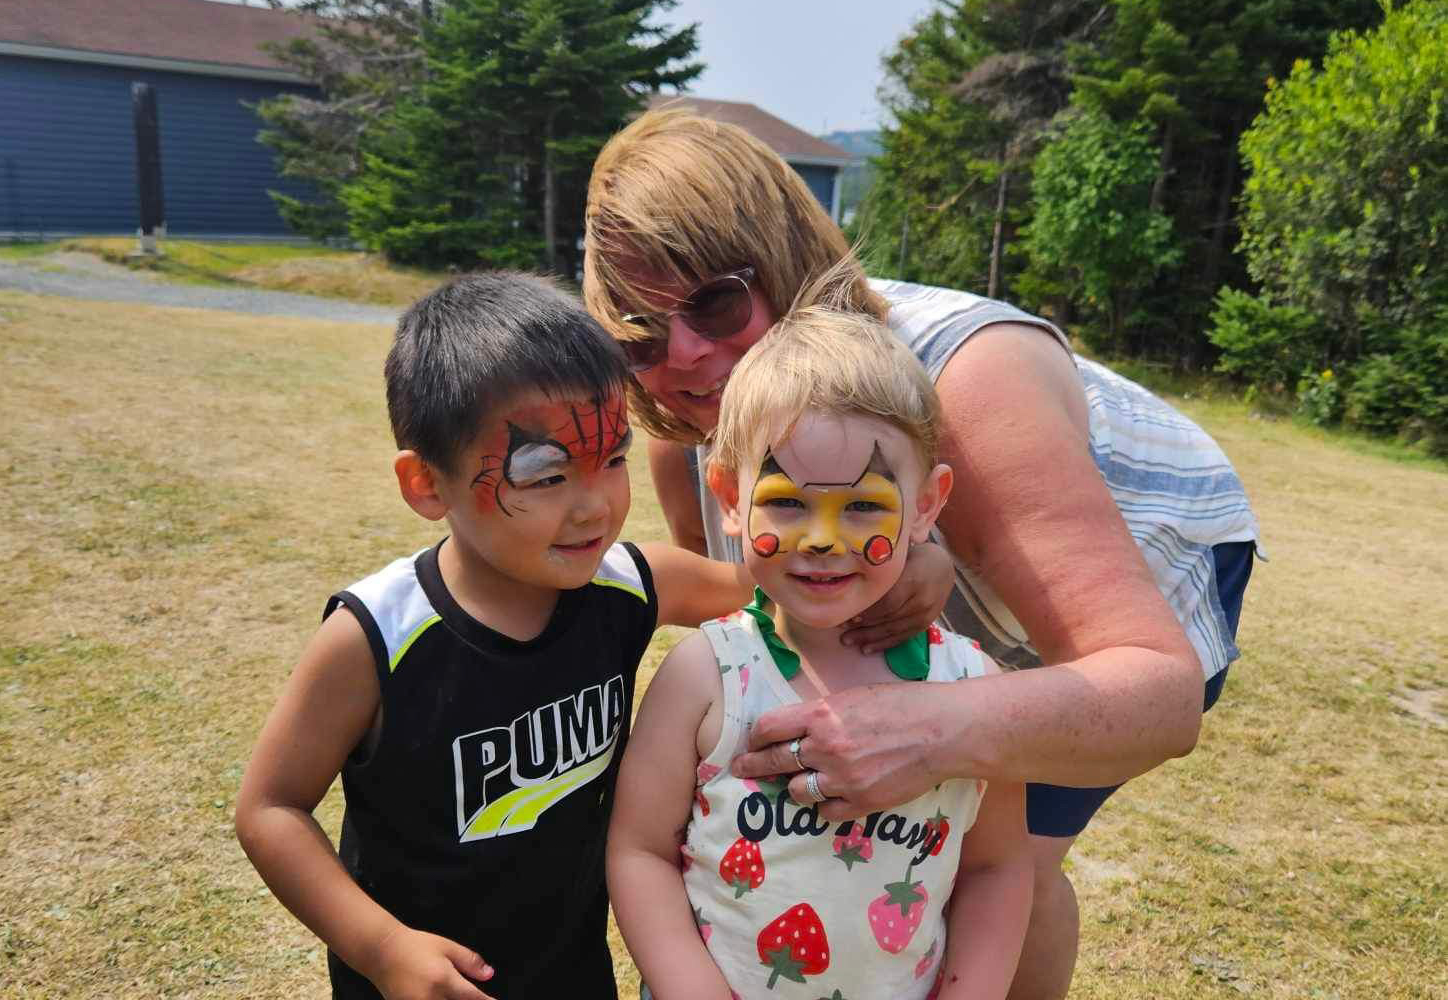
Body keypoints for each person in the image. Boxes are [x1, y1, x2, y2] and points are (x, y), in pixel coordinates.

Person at [582, 109, 1261, 999]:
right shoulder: (695, 429)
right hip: (915, 549)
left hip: (1139, 564)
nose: (683, 353)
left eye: (715, 301)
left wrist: (943, 729)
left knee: (1001, 851)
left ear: (783, 260)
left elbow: (1156, 697)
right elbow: (749, 611)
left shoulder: (971, 384)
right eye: (639, 331)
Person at [234, 272, 754, 1000]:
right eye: (546, 477)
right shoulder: (375, 637)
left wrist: (911, 566)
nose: (594, 507)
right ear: (426, 485)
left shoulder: (629, 585)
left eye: (611, 460)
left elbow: (771, 593)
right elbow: (270, 809)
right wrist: (383, 949)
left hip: (574, 973)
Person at [607, 304, 1033, 999]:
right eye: (787, 503)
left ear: (926, 504)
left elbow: (997, 869)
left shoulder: (975, 691)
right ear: (729, 498)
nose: (823, 539)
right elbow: (639, 852)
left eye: (864, 507)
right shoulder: (704, 678)